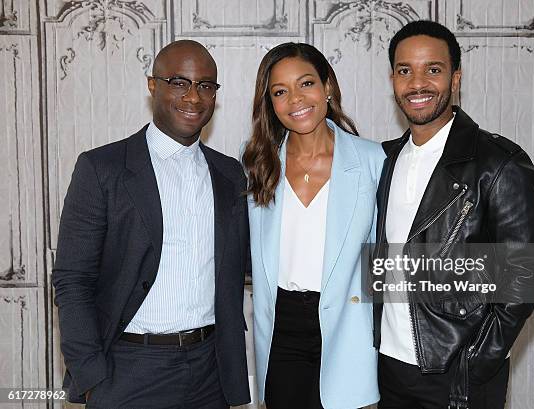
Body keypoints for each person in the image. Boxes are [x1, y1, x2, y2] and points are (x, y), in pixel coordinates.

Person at [52, 40, 250, 409]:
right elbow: (72, 279)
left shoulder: (229, 173)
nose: (193, 97)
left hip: (211, 370)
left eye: (206, 86)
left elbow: (247, 262)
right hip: (129, 370)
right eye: (179, 82)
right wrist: (92, 376)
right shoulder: (102, 169)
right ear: (152, 85)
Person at [373, 21, 534, 409]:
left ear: (455, 78)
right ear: (393, 80)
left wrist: (478, 360)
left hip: (458, 370)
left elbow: (527, 270)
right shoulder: (384, 159)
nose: (417, 83)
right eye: (405, 71)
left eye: (432, 70)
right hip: (388, 367)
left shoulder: (498, 163)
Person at [242, 42, 385, 409]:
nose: (295, 100)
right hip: (281, 328)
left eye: (306, 83)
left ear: (328, 87)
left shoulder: (373, 160)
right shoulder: (259, 165)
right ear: (270, 103)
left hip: (347, 325)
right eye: (280, 91)